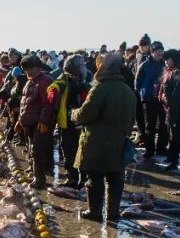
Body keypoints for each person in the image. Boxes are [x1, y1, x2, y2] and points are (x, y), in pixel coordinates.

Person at [72, 53, 136, 222]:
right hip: (119, 143)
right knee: (115, 179)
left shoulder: (100, 88)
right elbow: (131, 121)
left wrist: (73, 113)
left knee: (95, 177)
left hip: (97, 143)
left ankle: (94, 212)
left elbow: (86, 114)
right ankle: (113, 213)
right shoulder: (128, 91)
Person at [16, 53, 57, 189]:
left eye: (30, 69)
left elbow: (48, 104)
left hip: (40, 123)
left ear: (38, 67)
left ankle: (40, 179)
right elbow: (24, 103)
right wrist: (20, 120)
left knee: (37, 151)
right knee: (33, 149)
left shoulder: (45, 81)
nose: (28, 72)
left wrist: (44, 121)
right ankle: (36, 173)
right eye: (26, 70)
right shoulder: (30, 82)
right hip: (29, 123)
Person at [51, 54, 88, 188]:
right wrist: (53, 90)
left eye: (76, 74)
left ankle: (84, 178)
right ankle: (72, 177)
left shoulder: (87, 82)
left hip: (82, 121)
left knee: (83, 150)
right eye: (71, 74)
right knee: (67, 148)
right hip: (67, 121)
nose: (74, 77)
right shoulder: (64, 79)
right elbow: (56, 84)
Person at [136, 41, 167, 158]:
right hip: (148, 99)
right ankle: (149, 149)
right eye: (157, 51)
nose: (160, 53)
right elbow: (137, 82)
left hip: (162, 100)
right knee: (150, 125)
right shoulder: (145, 65)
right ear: (152, 52)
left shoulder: (165, 65)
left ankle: (161, 148)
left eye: (161, 50)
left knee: (163, 125)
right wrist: (142, 93)